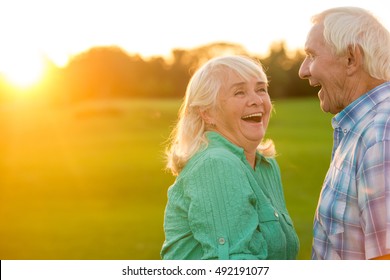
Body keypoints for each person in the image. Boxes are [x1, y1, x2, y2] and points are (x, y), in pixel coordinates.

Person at [160, 55, 299, 260]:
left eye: (261, 89)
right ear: (207, 113)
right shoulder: (216, 165)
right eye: (239, 92)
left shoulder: (265, 165)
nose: (256, 100)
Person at [299, 6, 390, 260]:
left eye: (311, 55)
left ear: (351, 59)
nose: (303, 71)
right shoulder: (361, 127)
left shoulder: (382, 133)